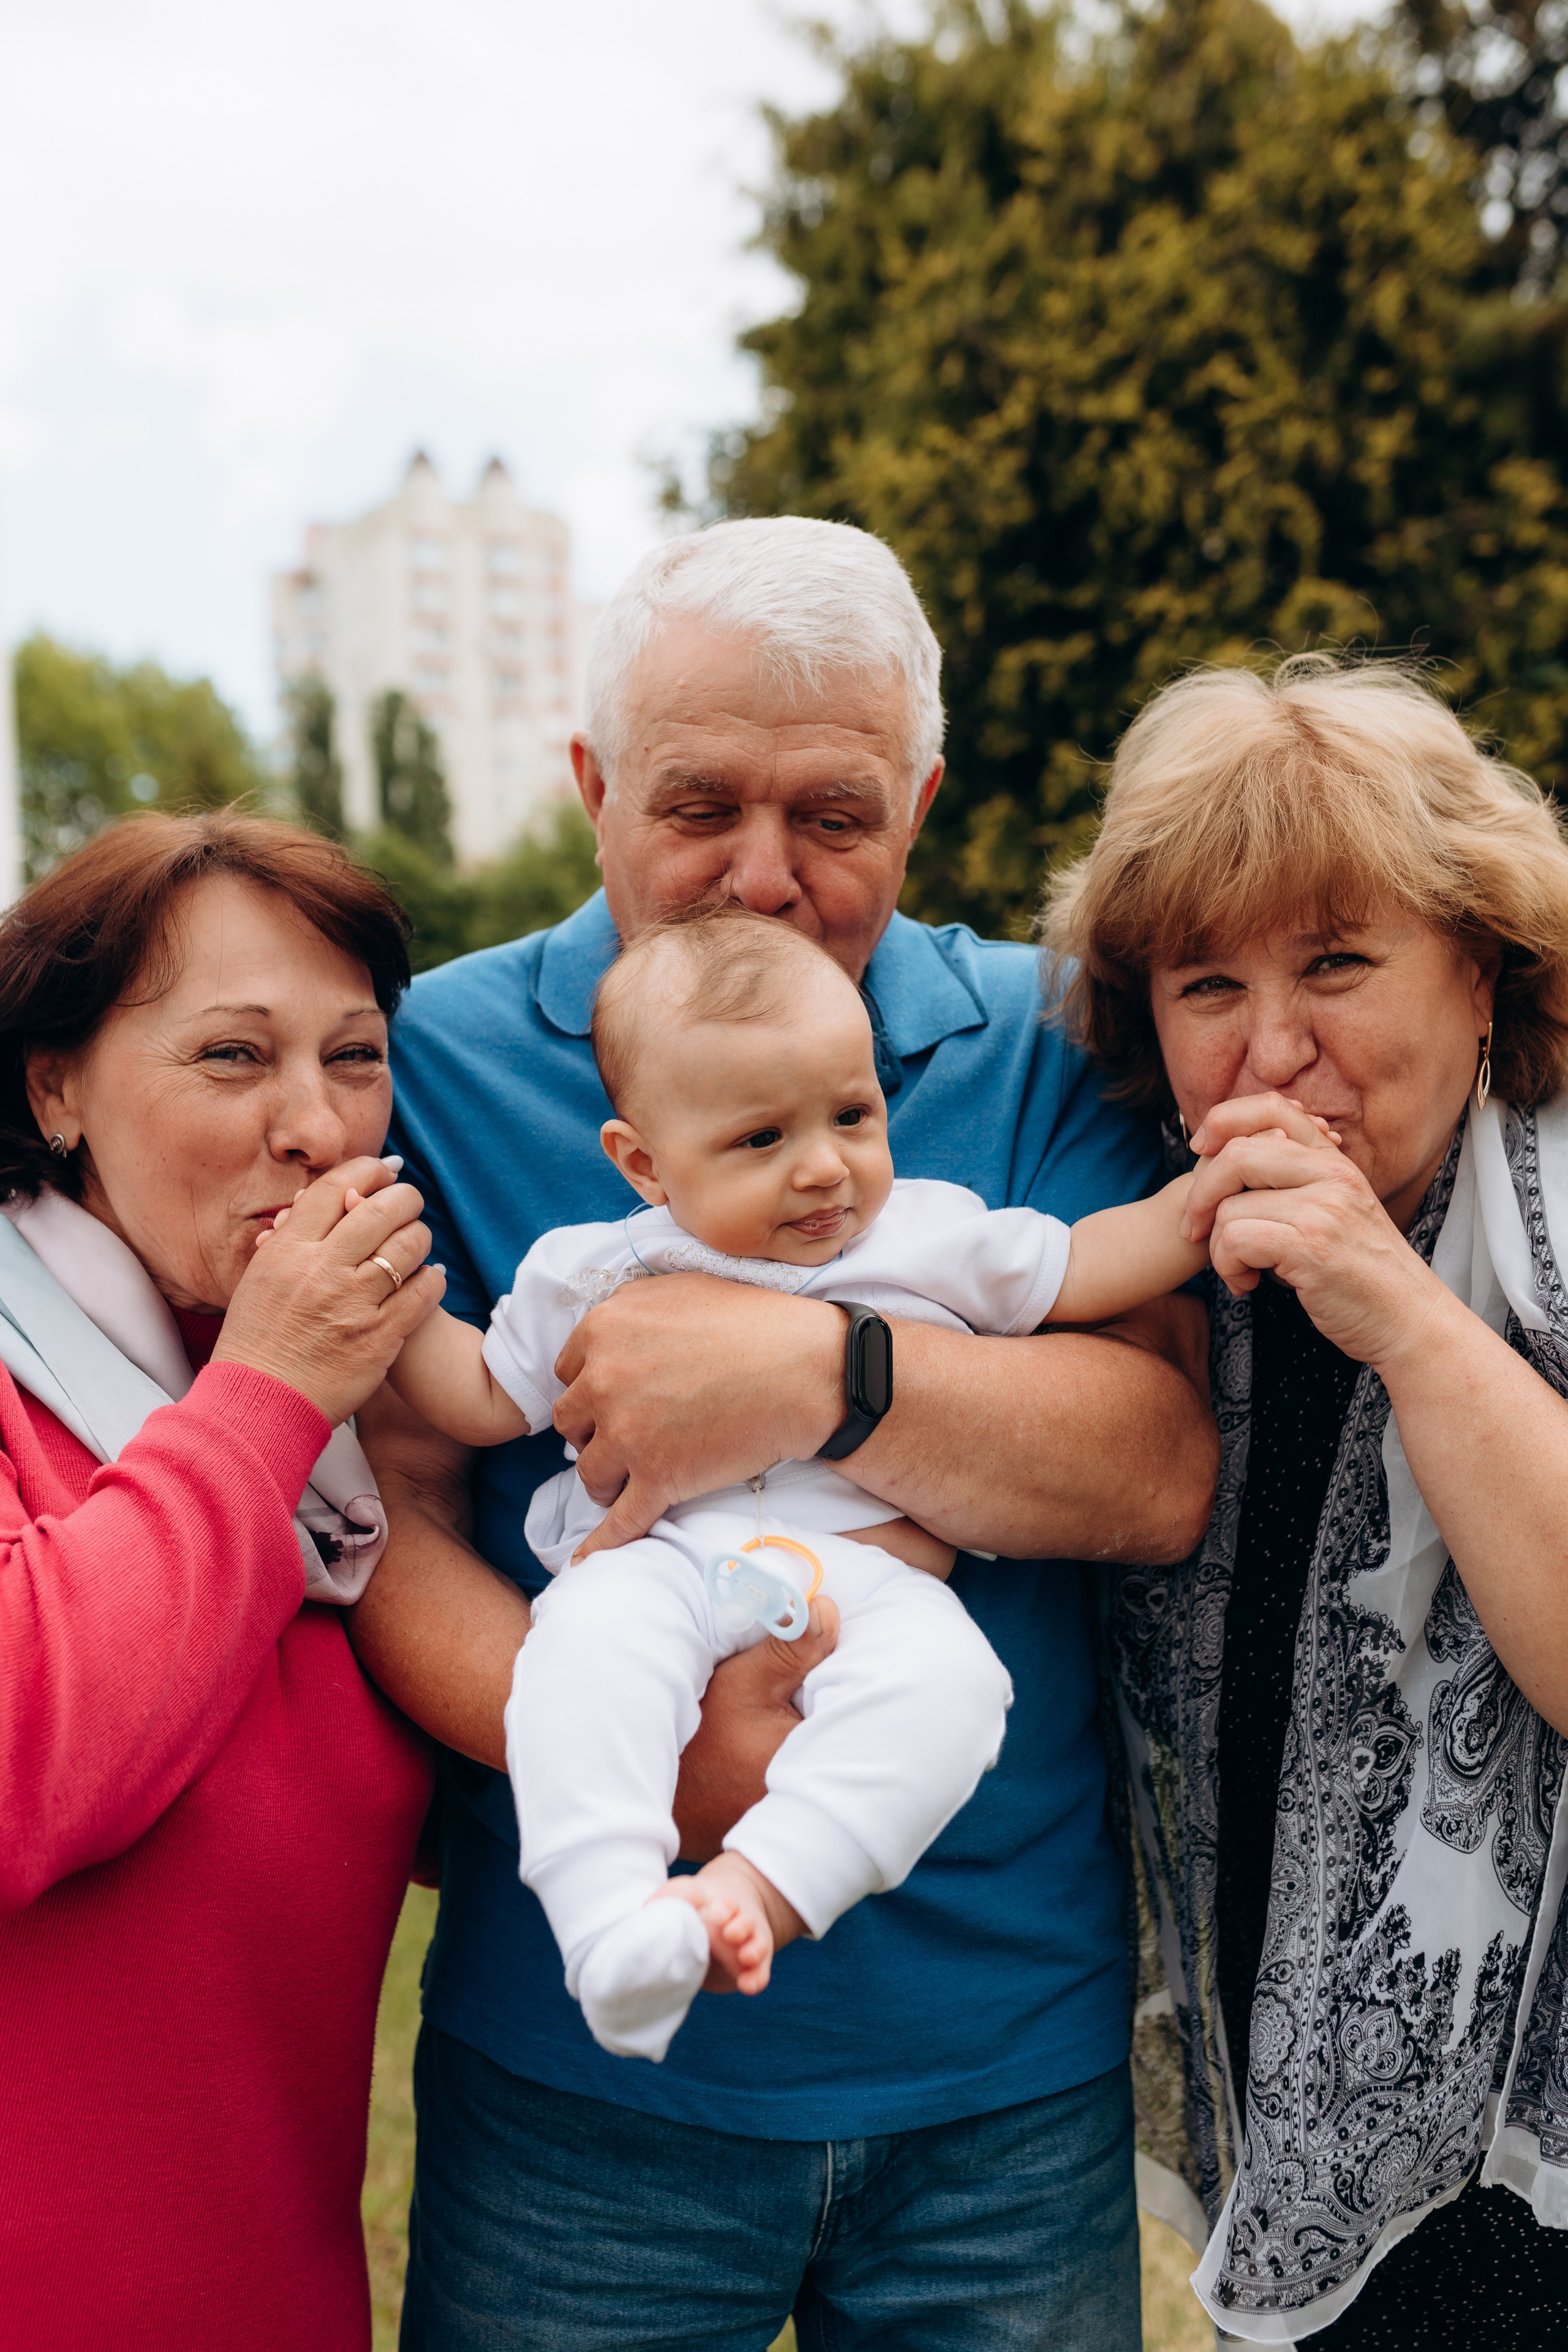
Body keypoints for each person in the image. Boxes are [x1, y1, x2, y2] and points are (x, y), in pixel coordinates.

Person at [349, 515, 1218, 2351]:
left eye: (833, 816)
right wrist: (654, 1755)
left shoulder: (1042, 1043)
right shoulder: (428, 1058)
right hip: (583, 2086)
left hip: (995, 2079)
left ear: (918, 798)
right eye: (696, 805)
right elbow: (385, 1508)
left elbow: (1150, 1469)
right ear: (592, 785)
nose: (763, 874)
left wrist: (824, 1374)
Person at [380, 905, 1209, 2063]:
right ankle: (605, 1921)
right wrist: (378, 1297)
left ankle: (753, 1897)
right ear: (642, 1162)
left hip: (868, 1582)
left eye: (853, 1115)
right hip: (657, 1562)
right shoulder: (596, 1264)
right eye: (760, 1139)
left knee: (955, 1691)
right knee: (579, 1669)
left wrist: (1209, 1201)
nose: (824, 1166)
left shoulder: (926, 1234)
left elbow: (1090, 1266)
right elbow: (475, 1393)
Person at [1042, 654, 1568, 2345]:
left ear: (1482, 970)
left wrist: (1400, 1309)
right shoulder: (1156, 1243)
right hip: (1297, 2098)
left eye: (1340, 963)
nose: (1276, 1049)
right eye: (1209, 984)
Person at [0, 813, 442, 2351]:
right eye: (233, 1058)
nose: (318, 1127)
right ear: (54, 1086)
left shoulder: (331, 1411)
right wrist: (267, 1389)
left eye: (356, 1056)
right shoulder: (257, 1386)